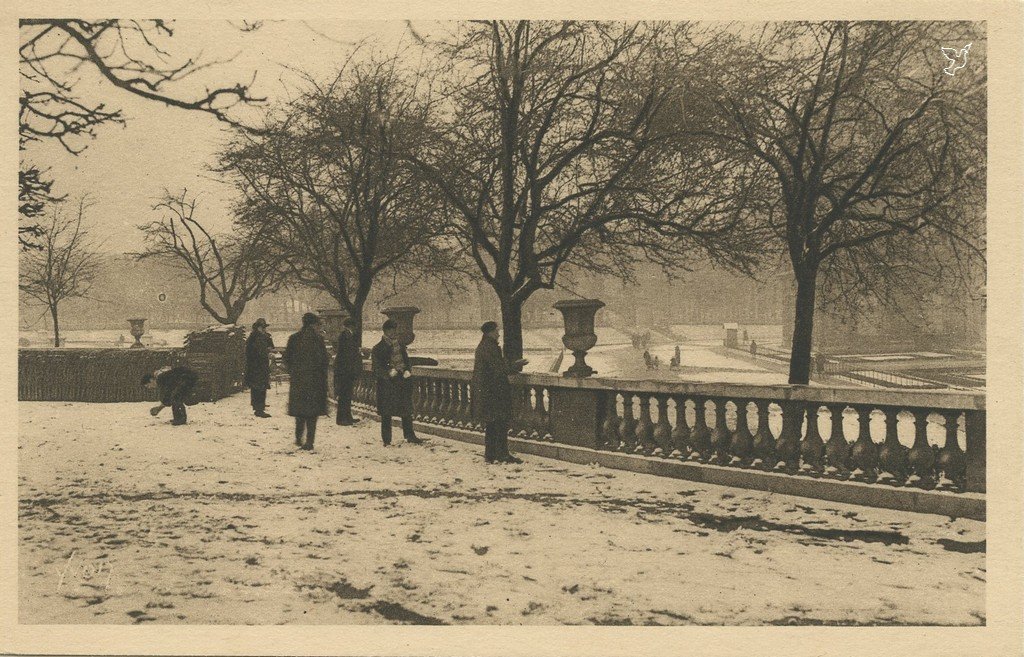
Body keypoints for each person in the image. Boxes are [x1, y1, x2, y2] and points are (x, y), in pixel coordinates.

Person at [472, 321, 528, 464]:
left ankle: (490, 454)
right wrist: (516, 365)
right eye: (496, 331)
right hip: (495, 392)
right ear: (490, 332)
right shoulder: (490, 347)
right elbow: (498, 369)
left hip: (488, 391)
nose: (498, 333)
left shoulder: (484, 346)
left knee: (492, 425)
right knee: (500, 423)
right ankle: (502, 454)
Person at [371, 319, 423, 447]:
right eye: (392, 330)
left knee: (406, 410)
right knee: (386, 413)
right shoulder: (378, 348)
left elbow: (406, 361)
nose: (394, 332)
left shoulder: (399, 345)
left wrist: (407, 370)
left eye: (395, 330)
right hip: (387, 384)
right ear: (386, 331)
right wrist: (388, 373)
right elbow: (376, 368)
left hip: (401, 381)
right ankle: (387, 440)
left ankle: (410, 435)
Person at [283, 312, 329, 451]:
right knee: (312, 413)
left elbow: (286, 359)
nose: (318, 327)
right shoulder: (318, 339)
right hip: (315, 381)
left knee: (300, 411)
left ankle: (298, 437)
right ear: (312, 324)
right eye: (317, 324)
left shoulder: (294, 338)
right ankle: (309, 441)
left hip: (299, 380)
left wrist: (294, 372)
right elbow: (324, 361)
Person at [334, 317, 362, 426]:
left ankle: (347, 417)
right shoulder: (344, 336)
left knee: (347, 395)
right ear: (351, 326)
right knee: (344, 395)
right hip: (345, 370)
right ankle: (341, 419)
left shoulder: (347, 335)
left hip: (345, 369)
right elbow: (345, 354)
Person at [244, 318, 274, 418]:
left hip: (259, 366)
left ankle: (259, 407)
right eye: (263, 327)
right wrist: (266, 352)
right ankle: (259, 409)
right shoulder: (255, 337)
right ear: (258, 327)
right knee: (258, 387)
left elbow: (270, 346)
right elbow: (258, 351)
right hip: (256, 366)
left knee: (260, 387)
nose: (264, 329)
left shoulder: (261, 336)